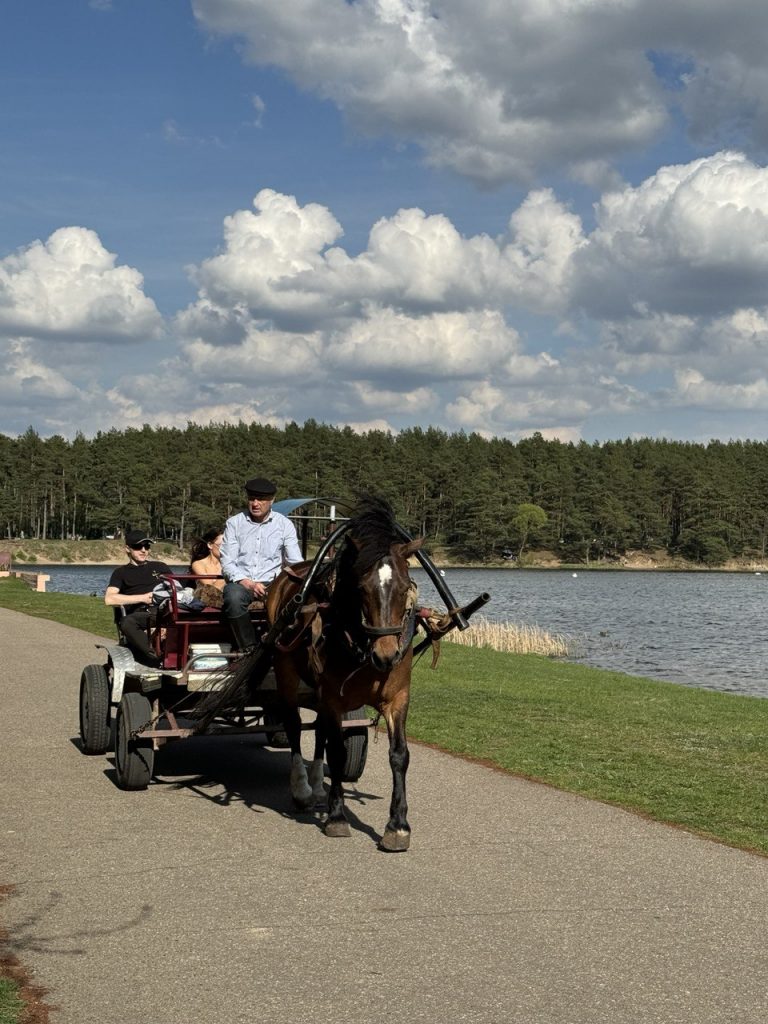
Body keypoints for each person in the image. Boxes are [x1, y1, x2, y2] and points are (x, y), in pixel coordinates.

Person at [220, 477, 302, 650]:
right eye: (252, 499)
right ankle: (249, 649)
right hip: (242, 582)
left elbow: (295, 562)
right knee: (233, 597)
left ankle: (289, 648)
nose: (255, 503)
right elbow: (228, 563)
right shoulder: (234, 523)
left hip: (274, 583)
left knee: (301, 599)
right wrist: (248, 583)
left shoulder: (284, 525)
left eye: (261, 499)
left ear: (271, 501)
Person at [104, 529, 172, 667]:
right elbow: (109, 599)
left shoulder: (160, 567)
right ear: (127, 549)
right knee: (127, 622)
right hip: (142, 614)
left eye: (147, 546)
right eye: (138, 547)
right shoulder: (120, 573)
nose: (143, 550)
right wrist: (143, 598)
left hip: (165, 610)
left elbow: (176, 587)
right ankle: (155, 656)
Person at [189, 527, 225, 607]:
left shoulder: (234, 564)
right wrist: (228, 570)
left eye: (228, 545)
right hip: (208, 600)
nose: (226, 549)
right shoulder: (198, 564)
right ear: (210, 545)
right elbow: (211, 590)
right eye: (222, 545)